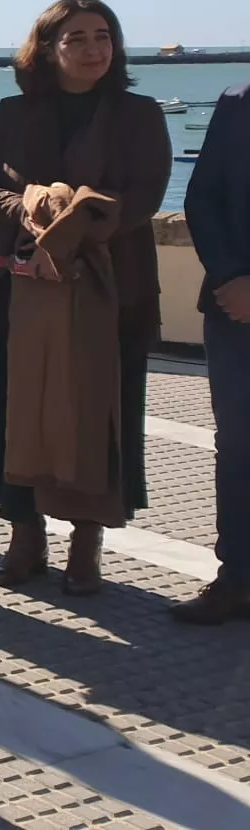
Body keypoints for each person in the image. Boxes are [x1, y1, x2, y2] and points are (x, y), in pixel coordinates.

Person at [0, 0, 170, 594]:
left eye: (104, 36)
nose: (95, 48)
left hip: (108, 292)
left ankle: (85, 545)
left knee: (99, 414)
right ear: (47, 48)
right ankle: (25, 540)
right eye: (77, 38)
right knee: (10, 408)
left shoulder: (139, 113)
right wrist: (24, 208)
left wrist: (68, 230)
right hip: (13, 287)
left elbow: (146, 195)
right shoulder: (10, 114)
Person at [173, 82, 248, 623]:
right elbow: (202, 198)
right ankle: (238, 578)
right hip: (235, 308)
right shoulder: (237, 101)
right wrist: (231, 277)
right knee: (239, 447)